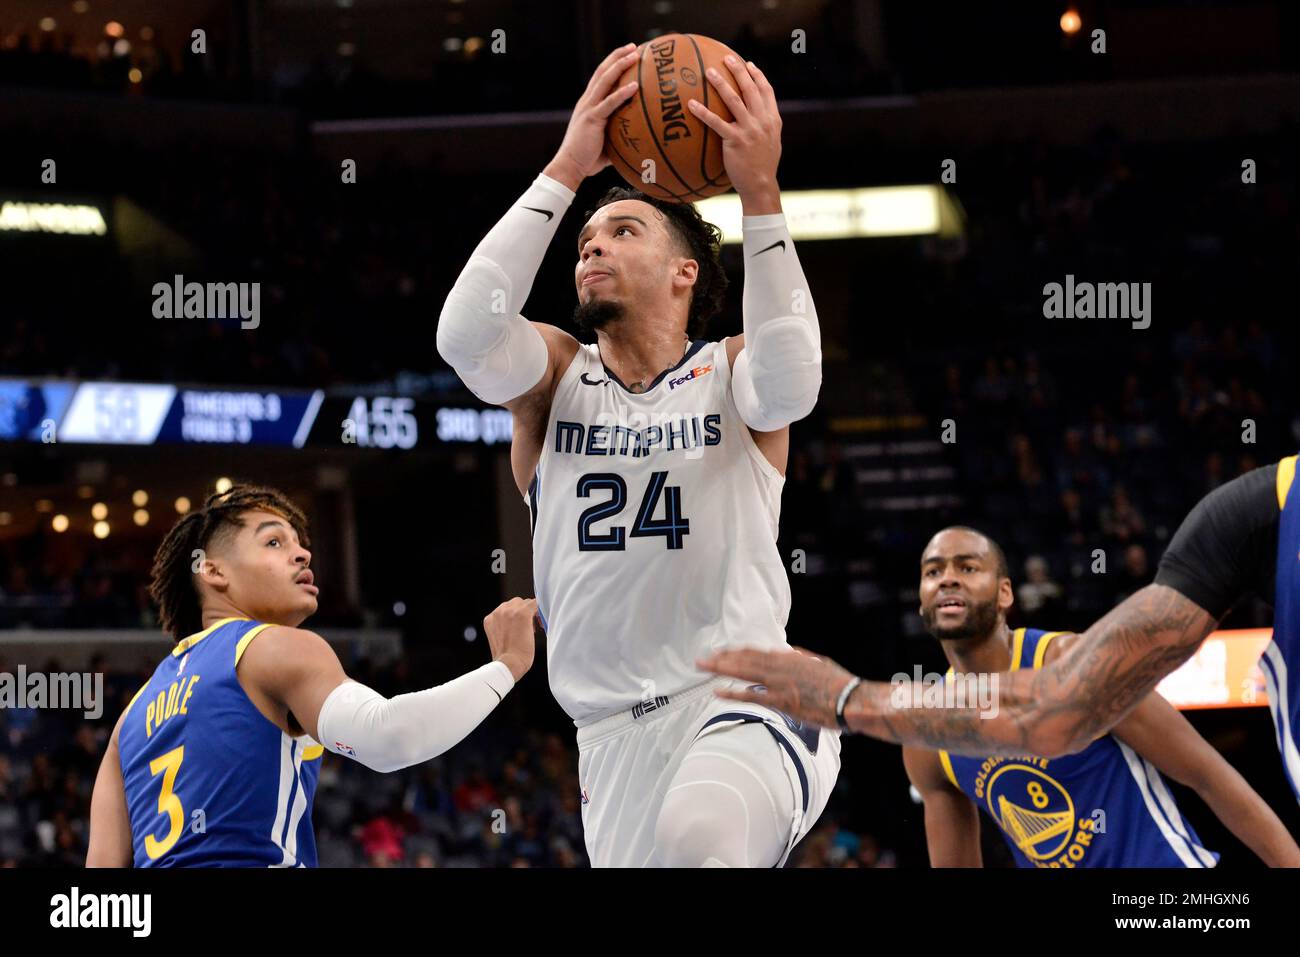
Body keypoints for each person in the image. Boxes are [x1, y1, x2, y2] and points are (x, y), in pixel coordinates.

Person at [436, 44, 838, 867]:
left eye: (623, 230)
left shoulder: (729, 371)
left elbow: (793, 380)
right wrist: (567, 166)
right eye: (585, 238)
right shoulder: (554, 379)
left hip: (749, 697)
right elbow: (465, 337)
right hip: (611, 736)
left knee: (704, 835)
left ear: (685, 270)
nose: (591, 247)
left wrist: (759, 189)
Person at [87, 484, 536, 867]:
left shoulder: (129, 719)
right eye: (274, 542)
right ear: (213, 570)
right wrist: (507, 666)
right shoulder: (271, 646)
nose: (303, 552)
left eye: (299, 541)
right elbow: (388, 736)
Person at [903, 527, 1299, 868]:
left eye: (967, 567)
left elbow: (1209, 775)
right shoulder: (928, 735)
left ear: (1005, 593)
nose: (947, 579)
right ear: (922, 600)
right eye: (933, 571)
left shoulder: (1077, 665)